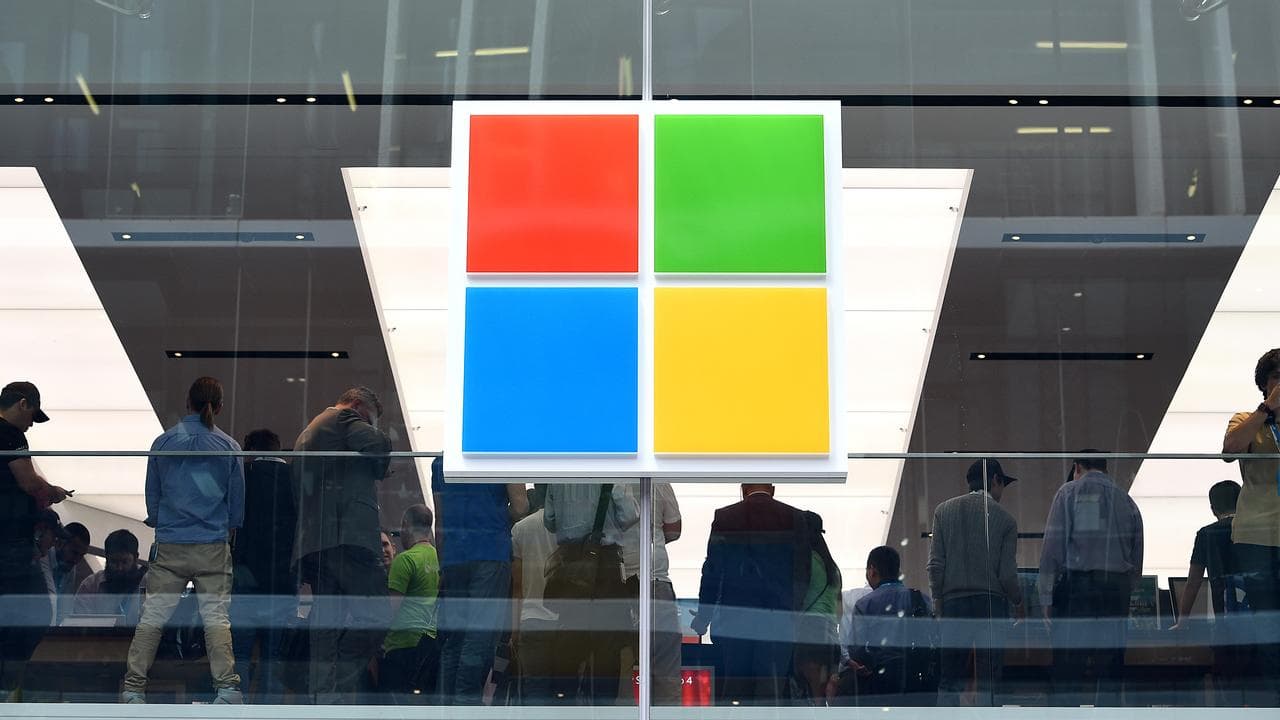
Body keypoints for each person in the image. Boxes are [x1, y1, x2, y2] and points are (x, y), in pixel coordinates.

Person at [122, 377, 245, 704]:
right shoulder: (230, 447)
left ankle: (133, 688)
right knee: (216, 619)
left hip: (172, 544)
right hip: (212, 545)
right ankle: (228, 688)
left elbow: (153, 499)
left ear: (188, 402)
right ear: (218, 407)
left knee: (153, 618)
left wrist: (167, 523)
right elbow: (236, 508)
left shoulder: (163, 443)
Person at [293, 386, 393, 704]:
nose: (371, 425)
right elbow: (377, 444)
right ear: (357, 405)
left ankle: (322, 695)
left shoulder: (310, 431)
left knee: (325, 623)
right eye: (371, 418)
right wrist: (378, 434)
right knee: (377, 615)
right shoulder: (343, 418)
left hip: (316, 541)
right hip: (347, 535)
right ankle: (336, 686)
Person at [692, 483, 812, 706]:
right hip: (778, 619)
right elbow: (803, 572)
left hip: (737, 618)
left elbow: (712, 571)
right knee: (771, 687)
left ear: (743, 489)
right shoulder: (795, 518)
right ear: (773, 489)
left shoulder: (725, 517)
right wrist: (793, 613)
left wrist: (703, 617)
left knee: (736, 687)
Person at [1039, 452, 1143, 707]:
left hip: (1079, 587)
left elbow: (1052, 550)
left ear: (1077, 467)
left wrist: (1046, 598)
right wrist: (1127, 589)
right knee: (1110, 670)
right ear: (1105, 469)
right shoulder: (1127, 500)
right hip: (1116, 589)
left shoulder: (1068, 492)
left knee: (1068, 669)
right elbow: (1136, 554)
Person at [431, 455, 527, 705]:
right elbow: (520, 507)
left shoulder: (441, 462)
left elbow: (439, 521)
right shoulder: (501, 456)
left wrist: (443, 565)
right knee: (479, 638)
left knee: (454, 642)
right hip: (490, 552)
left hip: (453, 558)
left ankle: (446, 709)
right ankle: (466, 707)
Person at [927, 459, 1023, 707]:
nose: (1002, 493)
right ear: (995, 481)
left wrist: (939, 601)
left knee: (949, 678)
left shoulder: (943, 511)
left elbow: (935, 565)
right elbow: (1007, 574)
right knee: (988, 681)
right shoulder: (1006, 520)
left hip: (953, 604)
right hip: (991, 605)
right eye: (1003, 485)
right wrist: (1019, 601)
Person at [0, 381, 70, 695]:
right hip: (10, 543)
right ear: (23, 403)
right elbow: (28, 482)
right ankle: (9, 680)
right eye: (32, 415)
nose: (31, 423)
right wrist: (52, 492)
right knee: (38, 611)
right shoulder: (10, 434)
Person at [542, 482, 638, 705]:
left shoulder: (559, 471)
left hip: (570, 564)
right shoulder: (613, 465)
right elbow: (630, 515)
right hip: (604, 564)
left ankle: (564, 705)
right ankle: (603, 707)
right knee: (608, 648)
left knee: (568, 645)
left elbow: (550, 521)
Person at [1222, 347, 1280, 703]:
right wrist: (1267, 409)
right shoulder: (1247, 418)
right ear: (1264, 384)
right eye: (1276, 377)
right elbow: (1230, 449)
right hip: (1257, 534)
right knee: (1265, 617)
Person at [230, 428, 297, 703]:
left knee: (241, 653)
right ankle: (269, 709)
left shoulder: (244, 477)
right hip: (282, 580)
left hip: (246, 578)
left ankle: (239, 708)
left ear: (250, 450)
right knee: (273, 655)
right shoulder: (293, 478)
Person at [618, 482, 683, 706]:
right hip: (655, 579)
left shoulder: (605, 481)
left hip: (618, 579)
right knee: (665, 666)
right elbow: (674, 529)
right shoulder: (659, 482)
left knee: (619, 667)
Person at [848, 546, 933, 703]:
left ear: (872, 570)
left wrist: (869, 664)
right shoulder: (921, 599)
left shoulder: (864, 604)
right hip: (917, 680)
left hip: (879, 682)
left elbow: (856, 649)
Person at [381, 505, 440, 701]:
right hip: (430, 645)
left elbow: (391, 611)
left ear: (406, 525)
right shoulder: (439, 558)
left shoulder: (405, 560)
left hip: (401, 647)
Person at [509, 485, 558, 705]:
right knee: (565, 692)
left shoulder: (521, 529)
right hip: (565, 620)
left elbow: (517, 585)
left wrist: (514, 631)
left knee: (535, 692)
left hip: (532, 619)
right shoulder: (568, 527)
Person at [793, 513, 841, 706]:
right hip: (830, 636)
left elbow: (796, 599)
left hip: (809, 633)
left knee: (813, 697)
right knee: (823, 697)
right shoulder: (833, 567)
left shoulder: (805, 562)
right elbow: (839, 613)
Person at [75, 529, 147, 619]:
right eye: (114, 562)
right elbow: (82, 625)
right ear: (106, 558)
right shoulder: (90, 585)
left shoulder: (149, 584)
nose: (119, 568)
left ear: (136, 558)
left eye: (125, 562)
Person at [49, 522, 92, 622]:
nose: (77, 560)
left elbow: (64, 611)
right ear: (59, 543)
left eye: (81, 555)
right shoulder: (43, 558)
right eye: (74, 552)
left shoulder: (70, 567)